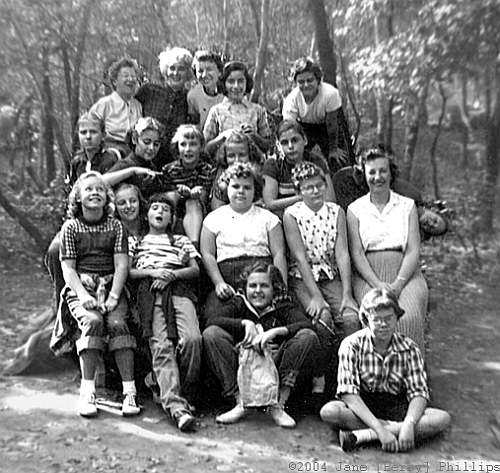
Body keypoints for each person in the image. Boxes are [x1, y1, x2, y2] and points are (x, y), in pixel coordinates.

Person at [320, 288, 451, 452]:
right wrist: (380, 429)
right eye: (377, 319)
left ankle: (362, 436)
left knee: (441, 418)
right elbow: (349, 394)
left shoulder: (409, 348)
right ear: (366, 320)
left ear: (397, 318)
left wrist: (409, 424)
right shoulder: (351, 345)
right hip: (363, 406)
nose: (383, 324)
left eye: (389, 318)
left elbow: (419, 392)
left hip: (396, 406)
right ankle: (386, 432)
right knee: (330, 412)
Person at [57, 171, 140, 418]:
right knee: (92, 322)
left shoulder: (115, 226)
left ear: (107, 198)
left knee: (117, 323)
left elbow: (122, 265)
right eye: (89, 189)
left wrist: (114, 295)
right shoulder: (71, 227)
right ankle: (88, 391)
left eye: (100, 189)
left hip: (111, 286)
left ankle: (129, 391)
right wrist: (83, 295)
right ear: (78, 198)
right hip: (82, 288)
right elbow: (68, 269)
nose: (95, 192)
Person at [203, 262, 320, 428]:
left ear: (274, 289)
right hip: (244, 369)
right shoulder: (239, 303)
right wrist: (245, 323)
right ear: (245, 288)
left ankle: (278, 404)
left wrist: (277, 331)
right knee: (212, 334)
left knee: (307, 336)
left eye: (264, 286)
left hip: (274, 368)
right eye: (253, 286)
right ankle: (241, 401)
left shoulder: (281, 306)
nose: (257, 291)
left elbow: (308, 325)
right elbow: (212, 320)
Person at [283, 162, 358, 397]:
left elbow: (342, 253)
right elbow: (299, 257)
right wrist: (315, 295)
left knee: (350, 319)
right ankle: (319, 377)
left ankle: (348, 378)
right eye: (308, 188)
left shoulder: (336, 212)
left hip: (330, 274)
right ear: (299, 191)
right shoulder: (292, 215)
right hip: (303, 278)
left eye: (319, 186)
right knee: (322, 318)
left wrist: (347, 294)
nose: (315, 191)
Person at [129, 194, 201, 432]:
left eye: (166, 210)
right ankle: (176, 407)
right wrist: (153, 274)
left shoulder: (179, 240)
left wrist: (171, 274)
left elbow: (194, 270)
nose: (160, 212)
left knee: (192, 340)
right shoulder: (137, 241)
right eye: (155, 208)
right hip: (150, 291)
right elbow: (128, 272)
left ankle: (184, 393)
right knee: (161, 346)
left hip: (179, 289)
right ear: (147, 215)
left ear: (172, 218)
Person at [347, 147, 428, 351]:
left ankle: (409, 378)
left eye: (383, 171)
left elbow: (412, 250)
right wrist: (377, 284)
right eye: (372, 172)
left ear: (391, 172)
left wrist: (398, 285)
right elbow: (356, 252)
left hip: (405, 273)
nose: (378, 177)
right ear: (364, 175)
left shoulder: (407, 205)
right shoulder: (355, 209)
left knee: (407, 317)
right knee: (377, 317)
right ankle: (375, 380)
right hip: (369, 275)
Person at [46, 113, 120, 310]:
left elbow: (110, 191)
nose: (88, 136)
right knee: (55, 251)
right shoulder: (77, 161)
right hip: (77, 221)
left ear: (103, 135)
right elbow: (70, 194)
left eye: (93, 132)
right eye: (83, 132)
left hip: (105, 220)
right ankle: (62, 304)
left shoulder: (110, 158)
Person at [200, 163, 287, 320]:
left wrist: (280, 286)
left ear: (255, 191)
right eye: (235, 186)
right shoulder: (213, 219)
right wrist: (219, 283)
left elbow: (279, 254)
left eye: (247, 187)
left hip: (262, 274)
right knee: (214, 318)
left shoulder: (269, 218)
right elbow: (207, 254)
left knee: (280, 314)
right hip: (227, 277)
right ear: (226, 188)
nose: (241, 191)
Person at [332, 148, 448, 239]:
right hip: (355, 185)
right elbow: (389, 183)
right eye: (435, 221)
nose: (430, 223)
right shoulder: (414, 196)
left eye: (431, 229)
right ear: (434, 211)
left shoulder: (407, 228)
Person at [282, 57, 346, 173]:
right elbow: (290, 128)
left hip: (327, 127)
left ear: (318, 80)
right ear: (296, 83)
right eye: (301, 82)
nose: (306, 85)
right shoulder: (291, 100)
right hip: (303, 128)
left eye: (310, 80)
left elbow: (332, 124)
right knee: (296, 158)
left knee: (339, 160)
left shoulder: (330, 94)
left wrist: (333, 149)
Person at [262, 120, 335, 216]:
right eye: (284, 142)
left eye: (295, 140)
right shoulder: (273, 164)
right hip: (284, 220)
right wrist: (302, 197)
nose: (290, 146)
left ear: (305, 140)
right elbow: (270, 203)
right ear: (278, 145)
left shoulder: (316, 161)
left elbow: (330, 199)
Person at [136, 47, 193, 168]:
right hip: (143, 156)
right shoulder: (149, 90)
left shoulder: (189, 98)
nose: (176, 73)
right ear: (165, 70)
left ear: (187, 73)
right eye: (172, 68)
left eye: (181, 69)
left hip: (172, 161)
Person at [203, 61, 272, 156]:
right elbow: (205, 148)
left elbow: (268, 146)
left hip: (253, 166)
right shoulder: (216, 111)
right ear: (224, 83)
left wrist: (254, 136)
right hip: (224, 166)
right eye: (231, 81)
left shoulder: (257, 110)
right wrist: (223, 137)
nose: (236, 86)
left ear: (246, 83)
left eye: (240, 81)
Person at [162, 125, 214, 248]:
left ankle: (193, 245)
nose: (188, 149)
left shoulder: (208, 170)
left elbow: (206, 197)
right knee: (171, 195)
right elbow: (165, 197)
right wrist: (178, 193)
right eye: (183, 145)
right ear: (177, 147)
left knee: (192, 202)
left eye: (193, 144)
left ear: (201, 147)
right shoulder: (169, 170)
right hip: (175, 209)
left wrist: (198, 193)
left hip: (197, 209)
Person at [89, 57, 142, 157]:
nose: (130, 79)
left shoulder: (138, 106)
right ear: (114, 81)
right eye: (126, 76)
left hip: (134, 154)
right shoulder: (103, 105)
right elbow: (89, 133)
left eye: (133, 76)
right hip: (110, 155)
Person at [104, 117, 164, 199]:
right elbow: (100, 181)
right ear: (134, 139)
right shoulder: (126, 164)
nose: (151, 148)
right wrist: (133, 171)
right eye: (146, 142)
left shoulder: (152, 166)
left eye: (156, 144)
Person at [210, 129, 264, 210]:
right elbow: (216, 207)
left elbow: (262, 201)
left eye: (242, 155)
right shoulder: (222, 176)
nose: (237, 160)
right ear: (225, 156)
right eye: (231, 156)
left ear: (250, 154)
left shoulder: (256, 174)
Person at [187, 50, 224, 130]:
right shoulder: (193, 95)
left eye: (209, 70)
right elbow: (195, 125)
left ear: (219, 72)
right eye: (200, 71)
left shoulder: (227, 94)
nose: (204, 75)